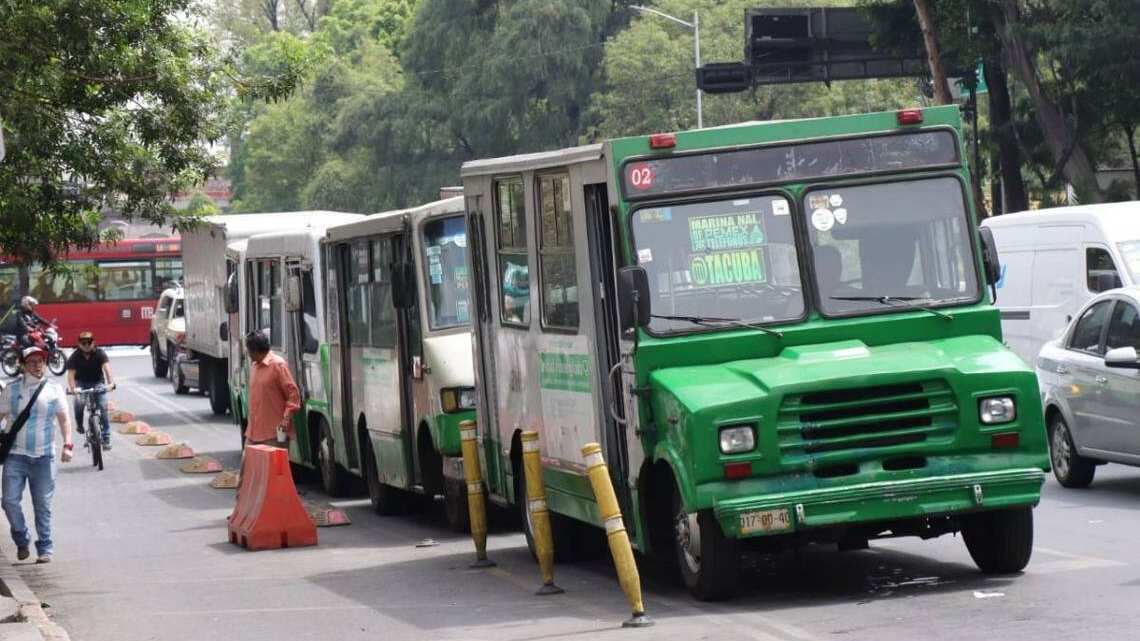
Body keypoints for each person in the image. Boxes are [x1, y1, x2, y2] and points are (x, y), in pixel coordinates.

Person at [0, 346, 73, 563]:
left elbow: (64, 419)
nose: (37, 365)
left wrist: (67, 444)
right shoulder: (10, 390)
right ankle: (22, 538)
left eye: (41, 361)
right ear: (22, 365)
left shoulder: (54, 389)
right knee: (9, 501)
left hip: (44, 457)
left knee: (42, 504)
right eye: (32, 362)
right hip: (15, 455)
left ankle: (45, 547)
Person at [244, 330, 300, 449]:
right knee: (247, 465)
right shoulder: (254, 366)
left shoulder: (277, 365)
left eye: (248, 350)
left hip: (273, 435)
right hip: (253, 433)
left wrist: (285, 420)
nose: (247, 353)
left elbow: (293, 394)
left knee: (273, 467)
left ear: (254, 350)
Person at [66, 331, 116, 449]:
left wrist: (110, 384)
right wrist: (73, 389)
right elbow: (71, 375)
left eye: (89, 342)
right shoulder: (75, 356)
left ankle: (106, 436)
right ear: (79, 344)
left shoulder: (100, 353)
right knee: (79, 403)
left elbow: (107, 368)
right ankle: (79, 424)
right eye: (83, 343)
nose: (87, 345)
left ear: (93, 342)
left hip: (97, 382)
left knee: (103, 406)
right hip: (81, 383)